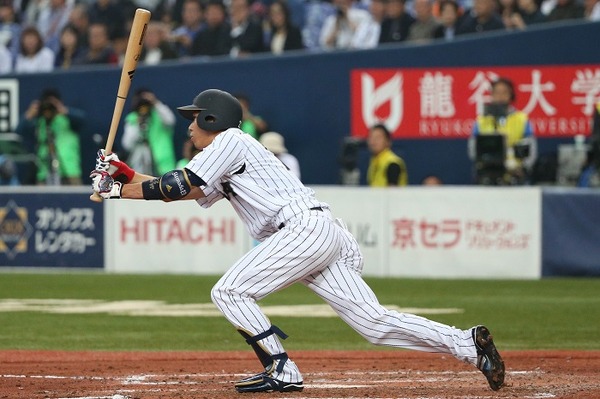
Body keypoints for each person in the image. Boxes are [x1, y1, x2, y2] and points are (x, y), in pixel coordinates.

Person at [90, 88, 505, 394]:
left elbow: (179, 185)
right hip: (317, 234)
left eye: (196, 117)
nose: (190, 124)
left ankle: (281, 367)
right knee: (374, 324)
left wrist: (113, 190)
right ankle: (467, 343)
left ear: (214, 121)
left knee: (230, 291)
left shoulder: (231, 140)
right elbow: (191, 190)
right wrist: (123, 174)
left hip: (302, 231)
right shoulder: (228, 153)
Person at [468, 77, 536, 185]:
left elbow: (531, 150)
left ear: (511, 95)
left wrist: (522, 167)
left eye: (504, 92)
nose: (500, 96)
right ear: (491, 95)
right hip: (487, 175)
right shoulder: (481, 121)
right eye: (497, 93)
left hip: (515, 177)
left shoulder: (522, 119)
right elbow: (473, 150)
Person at [16, 88, 83, 185]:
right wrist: (29, 115)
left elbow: (82, 120)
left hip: (69, 171)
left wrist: (63, 110)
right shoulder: (39, 122)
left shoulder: (67, 119)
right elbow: (19, 131)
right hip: (44, 171)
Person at [121, 88, 177, 176]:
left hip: (163, 167)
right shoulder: (133, 118)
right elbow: (127, 144)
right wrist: (138, 125)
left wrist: (155, 102)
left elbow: (171, 121)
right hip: (140, 168)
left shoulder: (159, 115)